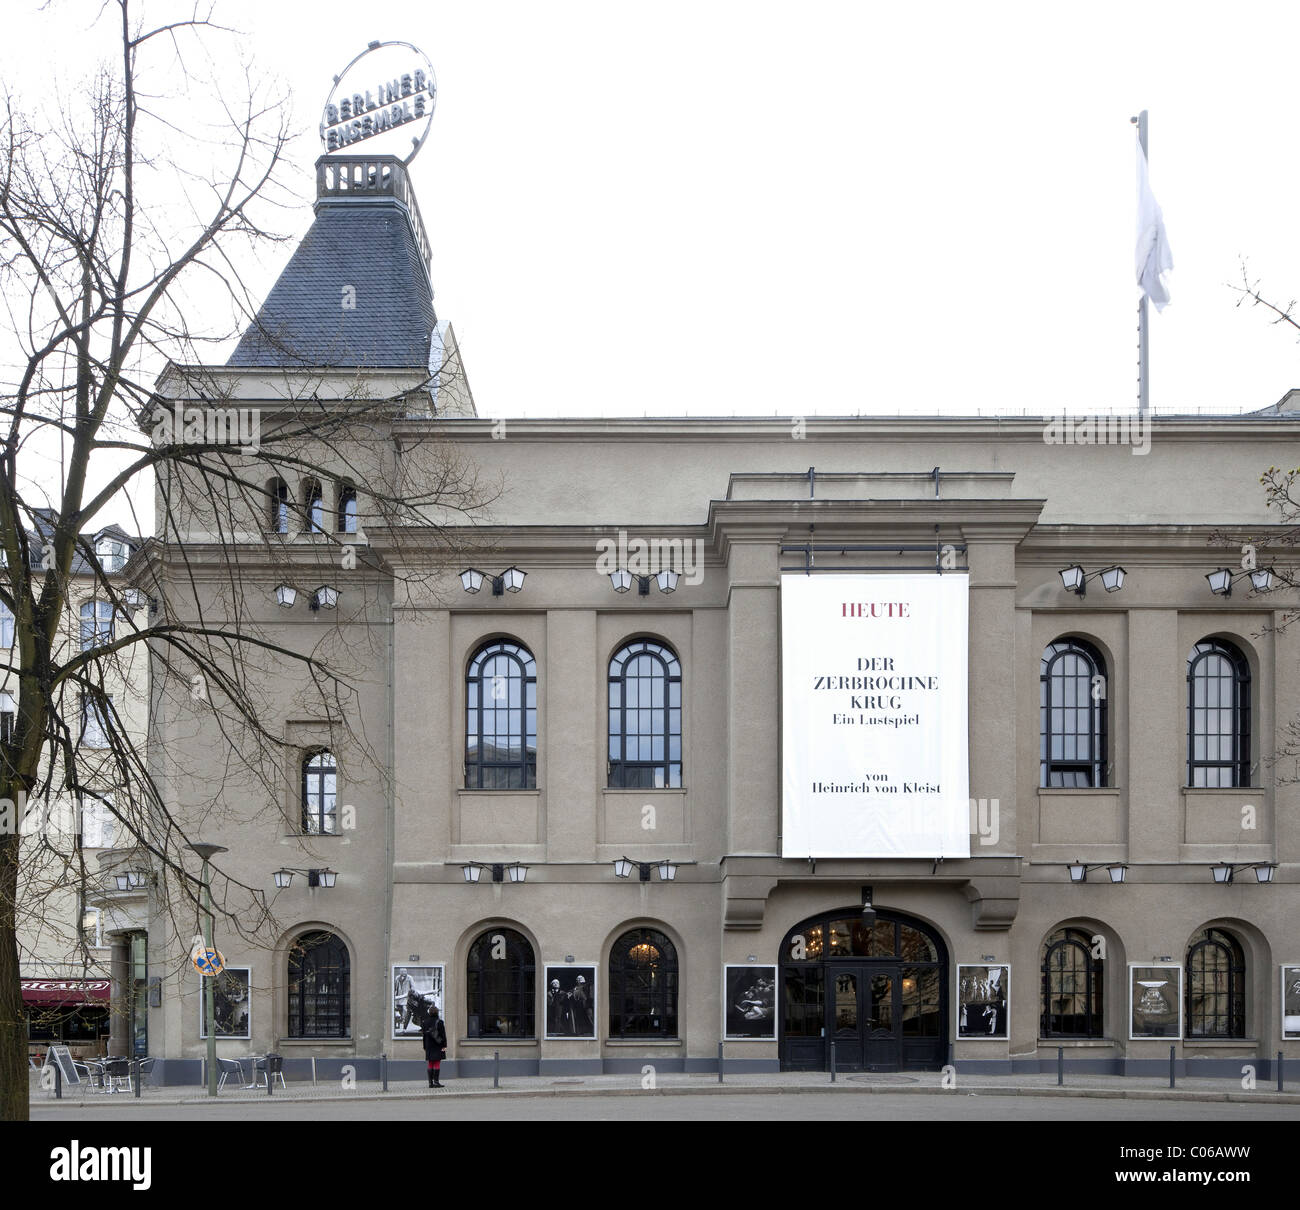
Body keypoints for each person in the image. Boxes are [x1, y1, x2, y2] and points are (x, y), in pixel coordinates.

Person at [421, 1005, 447, 1088]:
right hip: (438, 1045)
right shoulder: (440, 1022)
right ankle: (436, 1082)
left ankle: (430, 1083)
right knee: (437, 1063)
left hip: (429, 1045)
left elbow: (424, 1036)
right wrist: (444, 1046)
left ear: (429, 1013)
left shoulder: (425, 1022)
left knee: (430, 1063)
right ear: (437, 1012)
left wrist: (424, 1046)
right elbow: (443, 1035)